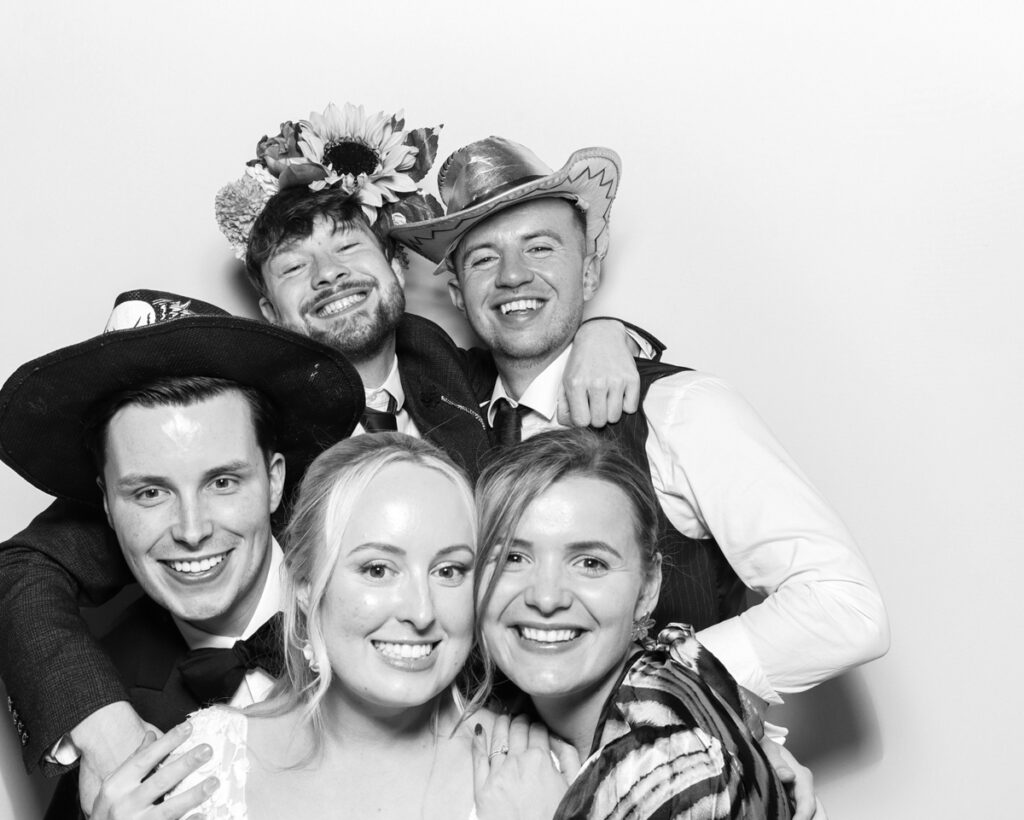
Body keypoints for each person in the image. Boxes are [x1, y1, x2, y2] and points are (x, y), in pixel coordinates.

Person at [0, 104, 653, 808]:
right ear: (268, 310)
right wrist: (101, 727)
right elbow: (23, 569)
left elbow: (537, 350)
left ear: (398, 265)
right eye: (295, 265)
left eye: (349, 248)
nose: (330, 276)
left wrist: (608, 333)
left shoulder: (464, 386)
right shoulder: (216, 439)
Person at [392, 136, 890, 713]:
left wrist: (654, 695)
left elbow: (846, 607)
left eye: (541, 248)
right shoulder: (445, 408)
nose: (511, 276)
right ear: (456, 290)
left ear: (590, 269)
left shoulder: (681, 409)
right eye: (483, 258)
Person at [0, 289, 363, 817]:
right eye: (150, 493)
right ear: (105, 502)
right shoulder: (108, 746)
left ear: (275, 479)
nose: (192, 531)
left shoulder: (387, 588)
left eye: (222, 481)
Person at [93, 434, 577, 820]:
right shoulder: (200, 762)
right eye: (377, 570)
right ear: (305, 585)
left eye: (449, 571)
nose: (422, 611)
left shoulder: (543, 777)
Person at [471, 428, 800, 819]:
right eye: (512, 557)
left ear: (647, 589)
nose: (545, 597)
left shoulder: (677, 770)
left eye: (590, 563)